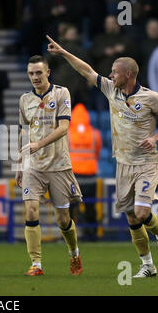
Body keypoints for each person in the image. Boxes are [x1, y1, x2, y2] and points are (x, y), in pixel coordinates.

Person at [46, 34, 158, 278]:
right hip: (123, 163)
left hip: (146, 163)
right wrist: (64, 53)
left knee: (141, 212)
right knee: (131, 217)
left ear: (128, 74)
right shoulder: (111, 91)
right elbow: (86, 71)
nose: (110, 75)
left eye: (114, 72)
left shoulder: (151, 98)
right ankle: (148, 266)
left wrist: (155, 138)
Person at [15, 55, 83, 277]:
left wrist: (39, 144)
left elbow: (64, 127)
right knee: (31, 209)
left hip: (58, 164)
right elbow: (23, 132)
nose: (34, 77)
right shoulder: (25, 99)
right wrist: (19, 164)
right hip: (33, 166)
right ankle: (36, 264)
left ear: (48, 73)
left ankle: (74, 253)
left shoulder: (61, 93)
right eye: (31, 73)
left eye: (38, 72)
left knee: (62, 219)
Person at [68, 103, 102, 241]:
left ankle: (69, 234)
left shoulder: (67, 134)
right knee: (90, 206)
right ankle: (92, 232)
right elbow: (97, 152)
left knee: (70, 207)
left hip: (73, 176)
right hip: (90, 176)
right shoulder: (95, 134)